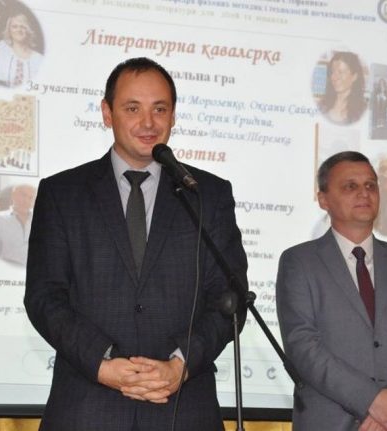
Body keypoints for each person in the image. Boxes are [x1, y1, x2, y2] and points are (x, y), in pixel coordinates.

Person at [24, 57, 248, 431]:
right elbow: (44, 297)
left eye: (159, 109)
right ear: (107, 113)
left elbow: (230, 299)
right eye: (132, 108)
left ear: (173, 115)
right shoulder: (62, 194)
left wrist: (180, 364)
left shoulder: (207, 194)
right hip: (86, 408)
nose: (148, 123)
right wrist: (102, 364)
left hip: (183, 408)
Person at [276, 151, 387, 430]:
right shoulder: (299, 262)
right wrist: (371, 400)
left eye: (370, 185)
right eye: (350, 186)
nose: (364, 193)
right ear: (323, 199)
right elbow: (302, 346)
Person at [0, 184, 36, 266]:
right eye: (23, 195)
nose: (26, 201)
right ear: (13, 195)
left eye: (31, 198)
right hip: (7, 269)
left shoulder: (42, 219)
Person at [319, 51, 367, 125]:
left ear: (354, 77)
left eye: (341, 72)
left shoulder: (362, 112)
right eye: (332, 72)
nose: (334, 77)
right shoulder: (322, 105)